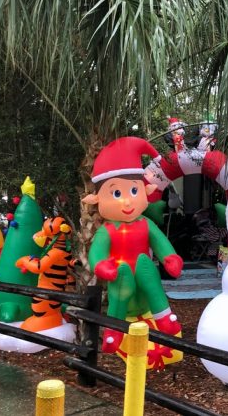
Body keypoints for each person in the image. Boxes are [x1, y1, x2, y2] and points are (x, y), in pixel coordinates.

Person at [82, 137, 183, 353]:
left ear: (146, 190)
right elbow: (97, 252)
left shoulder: (145, 224)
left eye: (134, 191)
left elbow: (160, 242)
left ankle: (164, 318)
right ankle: (114, 331)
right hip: (121, 283)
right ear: (96, 199)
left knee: (145, 265)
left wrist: (170, 258)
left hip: (146, 289)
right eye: (116, 193)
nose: (127, 201)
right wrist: (102, 265)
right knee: (123, 275)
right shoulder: (107, 230)